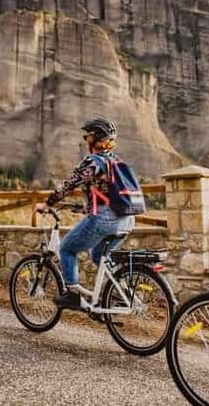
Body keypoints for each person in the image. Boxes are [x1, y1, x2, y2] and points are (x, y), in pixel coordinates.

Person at [34, 117, 136, 310]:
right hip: (128, 220)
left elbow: (69, 184)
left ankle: (72, 296)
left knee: (66, 249)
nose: (85, 140)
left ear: (95, 139)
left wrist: (47, 204)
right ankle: (122, 293)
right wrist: (83, 208)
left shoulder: (93, 162)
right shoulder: (116, 161)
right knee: (98, 255)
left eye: (87, 136)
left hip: (105, 220)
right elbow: (108, 194)